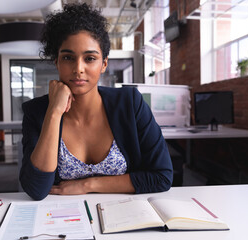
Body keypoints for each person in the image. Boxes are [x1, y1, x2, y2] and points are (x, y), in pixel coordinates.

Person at [20, 3, 173, 200]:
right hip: (62, 219)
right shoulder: (36, 111)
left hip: (125, 216)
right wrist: (54, 112)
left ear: (104, 64)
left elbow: (161, 177)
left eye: (90, 58)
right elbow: (36, 189)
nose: (78, 68)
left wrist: (87, 185)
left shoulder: (130, 103)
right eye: (68, 57)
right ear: (56, 61)